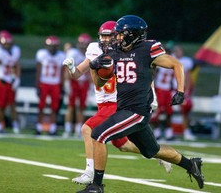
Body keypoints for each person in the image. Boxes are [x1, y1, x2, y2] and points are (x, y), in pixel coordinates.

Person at [77, 15, 204, 193]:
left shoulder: (147, 49)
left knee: (98, 135)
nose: (116, 38)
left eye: (120, 34)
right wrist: (95, 68)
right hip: (125, 109)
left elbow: (177, 65)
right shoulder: (115, 51)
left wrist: (180, 91)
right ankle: (191, 164)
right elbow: (99, 83)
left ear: (132, 35)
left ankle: (96, 185)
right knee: (153, 151)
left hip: (137, 111)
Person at [64, 21, 172, 185]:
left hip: (117, 102)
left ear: (118, 36)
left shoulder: (126, 52)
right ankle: (160, 154)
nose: (106, 40)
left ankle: (90, 171)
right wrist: (71, 68)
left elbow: (143, 77)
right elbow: (78, 74)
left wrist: (153, 95)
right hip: (103, 103)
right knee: (123, 145)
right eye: (104, 36)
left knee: (88, 128)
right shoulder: (94, 50)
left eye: (110, 36)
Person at [35, 35, 65, 135]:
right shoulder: (41, 54)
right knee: (41, 106)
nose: (52, 48)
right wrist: (37, 85)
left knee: (54, 107)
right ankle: (39, 127)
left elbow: (62, 72)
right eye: (50, 46)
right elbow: (38, 71)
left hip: (55, 84)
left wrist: (62, 86)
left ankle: (52, 128)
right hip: (44, 83)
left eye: (54, 46)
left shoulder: (61, 55)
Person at [63, 33, 92, 137]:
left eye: (85, 44)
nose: (83, 46)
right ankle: (67, 129)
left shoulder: (91, 54)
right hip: (73, 81)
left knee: (81, 107)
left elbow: (91, 71)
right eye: (82, 43)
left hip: (84, 82)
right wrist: (66, 82)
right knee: (71, 106)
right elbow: (67, 68)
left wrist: (92, 85)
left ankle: (77, 129)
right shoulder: (73, 53)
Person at [172, 45, 196, 141]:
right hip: (170, 88)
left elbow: (188, 77)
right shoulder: (170, 59)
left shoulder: (186, 61)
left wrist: (187, 90)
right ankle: (166, 132)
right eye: (176, 51)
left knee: (185, 109)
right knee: (166, 111)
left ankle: (186, 131)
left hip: (182, 89)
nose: (178, 53)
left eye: (179, 51)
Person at [151, 65, 175, 140]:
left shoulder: (172, 63)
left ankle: (169, 132)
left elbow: (172, 79)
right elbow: (154, 75)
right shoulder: (159, 64)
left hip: (168, 90)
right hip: (159, 89)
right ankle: (157, 131)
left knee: (169, 112)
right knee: (157, 111)